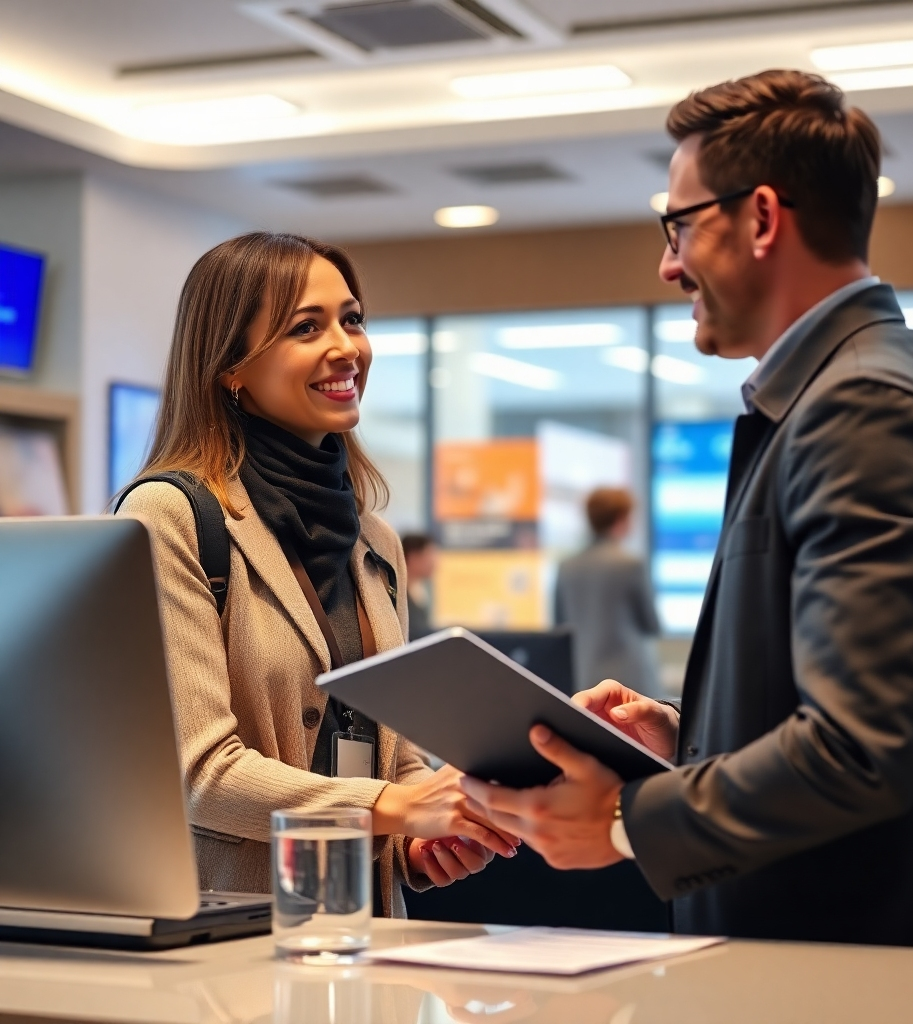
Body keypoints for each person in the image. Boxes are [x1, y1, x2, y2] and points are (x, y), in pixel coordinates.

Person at [461, 70, 913, 951]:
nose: (668, 263)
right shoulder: (840, 393)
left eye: (680, 225)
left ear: (761, 218)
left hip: (856, 963)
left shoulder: (865, 407)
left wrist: (623, 820)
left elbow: (861, 749)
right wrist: (691, 736)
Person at [118, 232, 517, 917]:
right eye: (307, 327)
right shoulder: (170, 517)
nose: (346, 347)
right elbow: (199, 775)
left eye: (352, 319)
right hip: (231, 936)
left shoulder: (376, 541)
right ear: (231, 366)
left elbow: (390, 755)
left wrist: (417, 843)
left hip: (363, 935)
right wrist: (396, 806)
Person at [554, 488, 660, 695]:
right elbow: (652, 625)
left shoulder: (566, 567)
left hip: (584, 680)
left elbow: (560, 626)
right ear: (621, 519)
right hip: (631, 683)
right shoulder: (630, 565)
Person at [401, 532, 437, 642]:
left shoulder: (420, 591)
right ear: (413, 557)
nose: (434, 563)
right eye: (429, 555)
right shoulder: (398, 594)